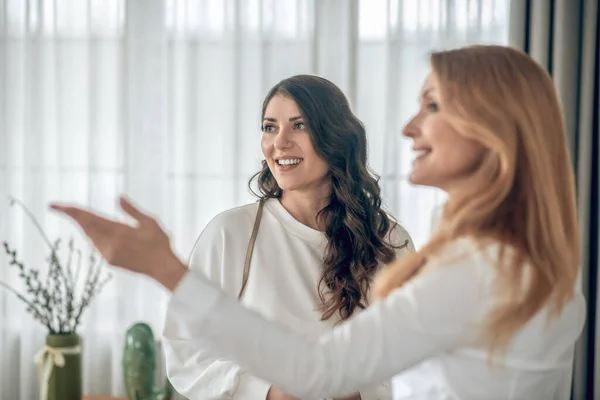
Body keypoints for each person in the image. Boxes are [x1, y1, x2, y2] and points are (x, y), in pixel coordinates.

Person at [51, 45, 586, 400]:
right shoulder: (515, 262)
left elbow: (325, 373)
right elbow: (193, 358)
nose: (408, 126)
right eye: (269, 127)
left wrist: (164, 268)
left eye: (432, 105)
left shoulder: (450, 259)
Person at [164, 75, 414, 399]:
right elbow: (186, 350)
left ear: (335, 137)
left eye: (299, 126)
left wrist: (358, 392)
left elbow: (415, 355)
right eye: (270, 127)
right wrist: (268, 392)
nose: (279, 143)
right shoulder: (230, 234)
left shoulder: (389, 241)